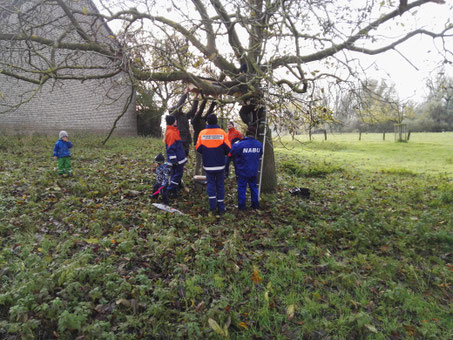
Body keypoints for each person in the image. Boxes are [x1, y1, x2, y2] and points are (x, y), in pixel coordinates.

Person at [196, 114, 231, 214]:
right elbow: (228, 148)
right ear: (216, 122)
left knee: (210, 185)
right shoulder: (222, 133)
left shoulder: (202, 133)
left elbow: (198, 148)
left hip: (208, 165)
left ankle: (212, 207)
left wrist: (207, 152)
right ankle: (221, 208)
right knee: (220, 185)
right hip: (220, 164)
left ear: (207, 122)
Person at [230, 125, 263, 210]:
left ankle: (242, 207)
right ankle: (255, 205)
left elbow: (232, 151)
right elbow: (260, 154)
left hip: (242, 170)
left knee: (242, 188)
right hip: (254, 171)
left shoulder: (240, 144)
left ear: (246, 133)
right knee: (253, 187)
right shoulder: (259, 144)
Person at [164, 115, 187, 197]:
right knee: (178, 174)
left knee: (174, 174)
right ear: (173, 121)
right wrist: (174, 160)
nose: (176, 121)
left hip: (178, 158)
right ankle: (170, 189)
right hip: (177, 160)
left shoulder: (173, 131)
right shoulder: (171, 133)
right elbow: (170, 148)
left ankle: (173, 190)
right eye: (175, 120)